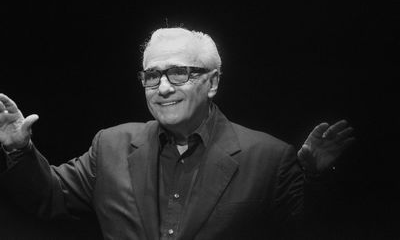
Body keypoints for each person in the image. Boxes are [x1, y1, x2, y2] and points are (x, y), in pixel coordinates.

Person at [0, 27, 354, 240]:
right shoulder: (111, 145)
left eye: (179, 73)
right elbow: (49, 196)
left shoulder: (269, 157)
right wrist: (19, 148)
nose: (163, 87)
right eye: (152, 76)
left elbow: (308, 232)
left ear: (212, 82)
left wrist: (313, 177)